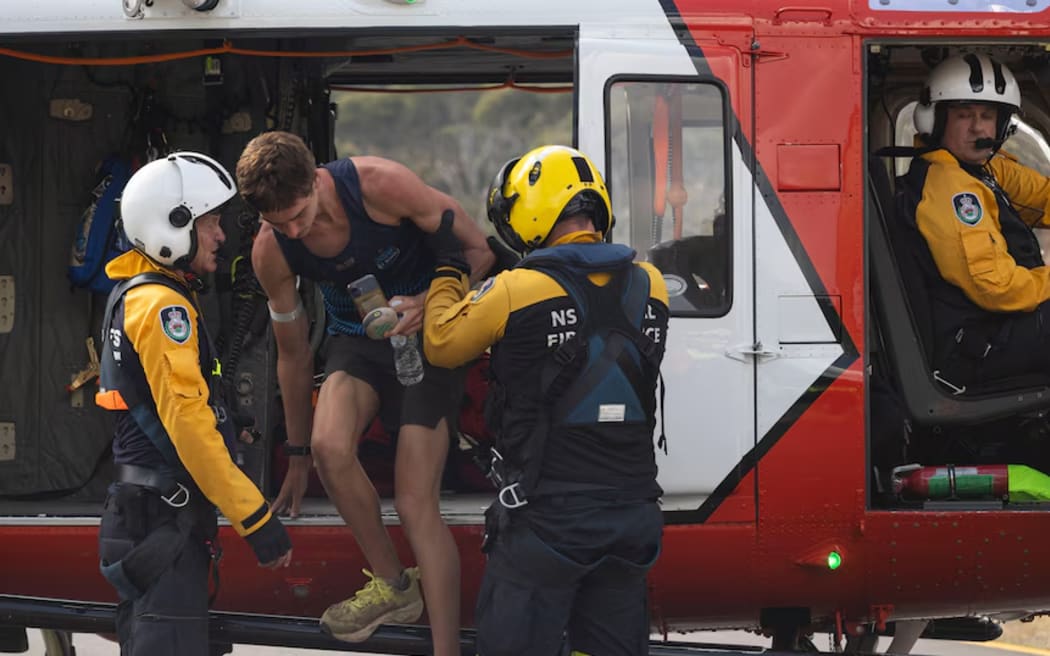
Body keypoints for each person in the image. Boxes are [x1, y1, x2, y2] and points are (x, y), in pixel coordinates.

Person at [236, 131, 494, 653]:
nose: (292, 229)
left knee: (414, 501)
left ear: (315, 181)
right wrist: (299, 454)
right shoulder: (272, 249)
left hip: (427, 338)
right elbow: (292, 355)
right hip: (357, 343)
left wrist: (427, 301)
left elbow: (480, 252)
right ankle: (394, 586)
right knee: (332, 449)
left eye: (298, 214)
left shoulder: (379, 185)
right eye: (276, 223)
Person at [422, 145, 669, 655]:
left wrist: (449, 273)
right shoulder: (653, 283)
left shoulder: (517, 288)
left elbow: (441, 345)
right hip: (633, 518)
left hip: (550, 520)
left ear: (530, 211)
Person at [95, 152, 293, 656]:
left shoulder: (137, 293)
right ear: (172, 225)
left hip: (148, 515)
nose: (221, 235)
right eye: (208, 223)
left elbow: (173, 404)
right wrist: (255, 518)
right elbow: (188, 428)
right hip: (161, 520)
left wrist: (232, 422)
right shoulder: (163, 306)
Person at [900, 53, 1050, 387]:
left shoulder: (979, 169)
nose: (978, 128)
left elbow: (1039, 195)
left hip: (998, 327)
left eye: (987, 116)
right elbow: (996, 287)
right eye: (963, 115)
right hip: (978, 344)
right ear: (936, 121)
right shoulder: (951, 189)